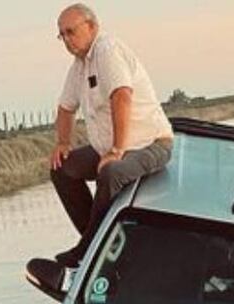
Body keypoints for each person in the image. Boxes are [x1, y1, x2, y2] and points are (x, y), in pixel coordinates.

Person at [49, 4, 174, 267]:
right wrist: (62, 142)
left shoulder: (107, 51)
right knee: (61, 169)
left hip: (149, 144)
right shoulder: (80, 65)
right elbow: (65, 107)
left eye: (71, 31)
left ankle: (88, 249)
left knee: (112, 173)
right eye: (62, 35)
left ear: (92, 26)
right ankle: (96, 241)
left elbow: (122, 96)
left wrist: (117, 150)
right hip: (106, 148)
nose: (67, 40)